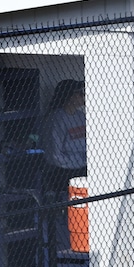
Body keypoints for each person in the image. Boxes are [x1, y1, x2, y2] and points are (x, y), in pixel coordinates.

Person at [43, 79, 87, 249]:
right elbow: (54, 155)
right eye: (79, 93)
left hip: (82, 168)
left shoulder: (80, 116)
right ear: (70, 96)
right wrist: (78, 162)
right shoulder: (56, 119)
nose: (83, 96)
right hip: (62, 173)